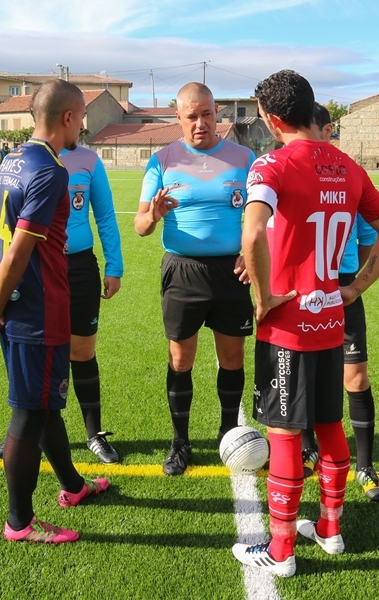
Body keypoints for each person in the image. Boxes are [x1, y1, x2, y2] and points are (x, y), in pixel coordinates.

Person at [231, 70, 379, 577]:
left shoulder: (272, 163)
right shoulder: (347, 167)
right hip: (331, 316)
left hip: (287, 324)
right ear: (311, 108)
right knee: (329, 425)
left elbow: (254, 232)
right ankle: (330, 529)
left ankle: (281, 551)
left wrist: (262, 299)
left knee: (284, 434)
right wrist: (353, 288)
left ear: (270, 117)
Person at [0, 79, 110, 544]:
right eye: (82, 115)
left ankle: (73, 486)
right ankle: (19, 523)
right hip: (41, 311)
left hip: (17, 309)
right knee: (29, 413)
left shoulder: (9, 163)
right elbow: (18, 251)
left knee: (45, 405)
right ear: (68, 117)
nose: (84, 123)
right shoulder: (51, 170)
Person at [134, 82, 255, 476]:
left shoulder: (244, 157)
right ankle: (180, 442)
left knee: (232, 358)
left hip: (232, 271)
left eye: (207, 114)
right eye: (192, 116)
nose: (201, 123)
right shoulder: (162, 160)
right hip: (182, 271)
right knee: (180, 359)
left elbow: (262, 218)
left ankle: (228, 433)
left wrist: (251, 255)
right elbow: (139, 226)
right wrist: (153, 214)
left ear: (217, 112)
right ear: (179, 118)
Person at [0, 144, 124, 464]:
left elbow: (104, 214)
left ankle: (94, 434)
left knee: (81, 352)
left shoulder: (89, 160)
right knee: (35, 353)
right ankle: (25, 430)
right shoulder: (27, 161)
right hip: (35, 270)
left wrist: (114, 266)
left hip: (79, 269)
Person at [301, 103, 379, 502]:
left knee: (355, 378)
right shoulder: (292, 170)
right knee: (303, 376)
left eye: (312, 129)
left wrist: (357, 282)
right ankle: (306, 451)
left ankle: (365, 466)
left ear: (327, 129)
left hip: (342, 288)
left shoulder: (350, 172)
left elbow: (375, 232)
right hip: (302, 289)